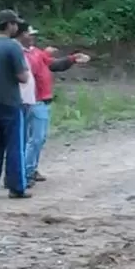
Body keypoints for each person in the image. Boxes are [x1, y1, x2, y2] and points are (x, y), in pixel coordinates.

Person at [22, 29, 90, 184]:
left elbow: (53, 64)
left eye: (33, 35)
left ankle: (30, 169)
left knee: (37, 138)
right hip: (34, 100)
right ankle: (26, 172)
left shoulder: (35, 52)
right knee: (34, 139)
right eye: (29, 34)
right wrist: (47, 54)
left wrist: (72, 59)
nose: (33, 37)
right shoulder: (23, 54)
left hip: (41, 100)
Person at [0, 9, 31, 199]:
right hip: (10, 102)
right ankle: (16, 187)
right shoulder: (13, 46)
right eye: (15, 23)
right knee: (15, 146)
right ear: (9, 25)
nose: (17, 27)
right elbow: (23, 77)